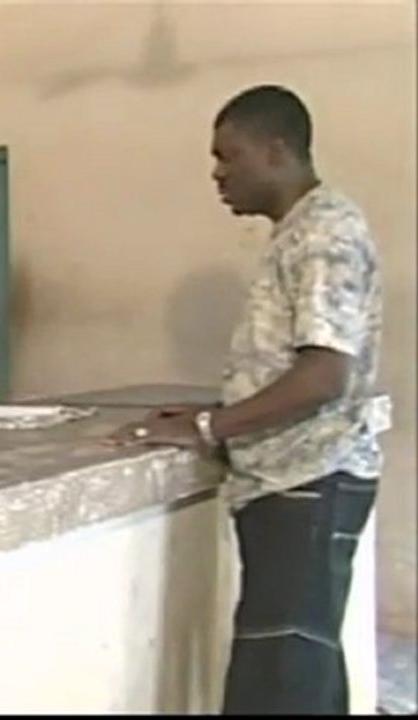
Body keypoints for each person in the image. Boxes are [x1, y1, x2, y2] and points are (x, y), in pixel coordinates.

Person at [107, 85, 383, 714]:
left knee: (282, 680)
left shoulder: (324, 233)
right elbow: (293, 363)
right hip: (295, 477)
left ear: (276, 150)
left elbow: (324, 376)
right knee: (300, 667)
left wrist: (210, 425)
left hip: (309, 478)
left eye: (228, 156)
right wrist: (217, 410)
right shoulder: (300, 231)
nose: (218, 173)